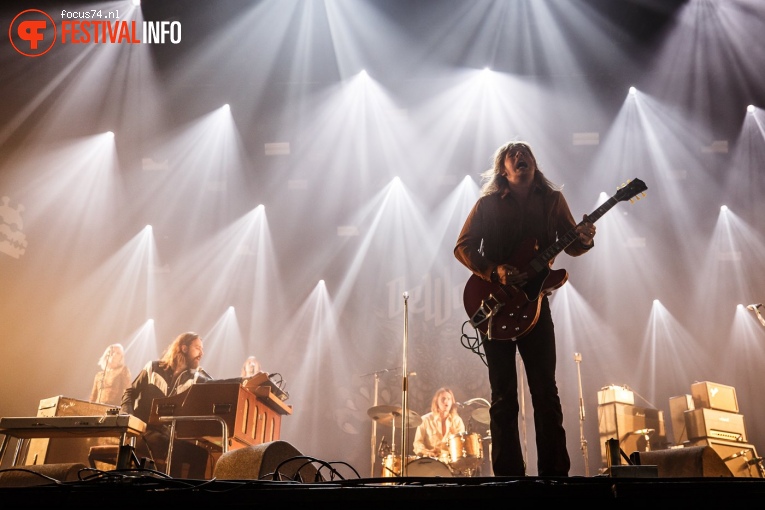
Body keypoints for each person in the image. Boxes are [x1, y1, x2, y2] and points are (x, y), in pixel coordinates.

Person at [454, 140, 596, 477]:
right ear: (503, 168)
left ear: (535, 164)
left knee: (546, 391)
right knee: (503, 396)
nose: (520, 158)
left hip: (535, 306)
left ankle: (554, 475)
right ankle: (508, 479)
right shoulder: (487, 204)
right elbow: (463, 247)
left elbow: (573, 246)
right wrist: (495, 271)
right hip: (494, 303)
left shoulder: (552, 201)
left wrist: (586, 238)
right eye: (512, 155)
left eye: (526, 154)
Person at [121, 331, 213, 477]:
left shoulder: (195, 378)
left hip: (168, 435)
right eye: (197, 348)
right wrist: (128, 417)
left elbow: (219, 385)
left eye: (202, 349)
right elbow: (129, 392)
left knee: (200, 454)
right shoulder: (153, 368)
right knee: (171, 447)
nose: (201, 353)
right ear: (184, 348)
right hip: (143, 432)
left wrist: (246, 381)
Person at [412, 387, 465, 463]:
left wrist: (456, 436)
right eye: (443, 399)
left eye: (449, 399)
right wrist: (427, 452)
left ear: (452, 402)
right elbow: (417, 443)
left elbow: (463, 447)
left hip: (452, 463)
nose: (446, 401)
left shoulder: (457, 421)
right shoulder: (425, 420)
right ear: (436, 402)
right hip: (430, 463)